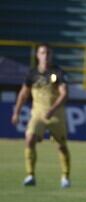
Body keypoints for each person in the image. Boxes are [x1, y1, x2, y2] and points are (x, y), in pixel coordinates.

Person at [10, 44, 72, 188]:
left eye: (48, 53)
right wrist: (16, 112)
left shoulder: (57, 73)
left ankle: (65, 177)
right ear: (37, 55)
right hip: (38, 114)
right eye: (43, 53)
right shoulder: (32, 74)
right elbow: (23, 94)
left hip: (56, 114)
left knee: (61, 146)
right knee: (29, 138)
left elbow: (64, 93)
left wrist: (52, 109)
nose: (46, 56)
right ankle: (30, 175)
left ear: (52, 55)